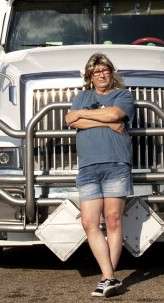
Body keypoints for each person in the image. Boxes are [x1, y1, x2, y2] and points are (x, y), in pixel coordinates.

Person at [66, 53, 135, 298]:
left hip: (116, 162)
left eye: (105, 70)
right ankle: (110, 277)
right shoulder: (82, 96)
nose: (101, 74)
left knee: (114, 220)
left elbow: (116, 114)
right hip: (87, 167)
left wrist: (86, 115)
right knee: (89, 223)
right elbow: (71, 120)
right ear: (90, 76)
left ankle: (106, 278)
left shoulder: (122, 95)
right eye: (96, 72)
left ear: (111, 72)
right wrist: (103, 122)